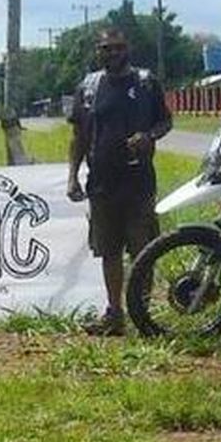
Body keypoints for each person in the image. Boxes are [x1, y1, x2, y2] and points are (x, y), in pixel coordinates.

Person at [67, 27, 173, 336]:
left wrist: (149, 136)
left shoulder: (146, 82)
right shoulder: (88, 87)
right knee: (108, 251)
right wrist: (73, 176)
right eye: (105, 48)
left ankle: (143, 315)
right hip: (101, 184)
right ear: (97, 52)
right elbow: (79, 137)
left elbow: (165, 121)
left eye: (117, 47)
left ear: (127, 48)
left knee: (144, 251)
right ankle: (114, 314)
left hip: (139, 183)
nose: (112, 53)